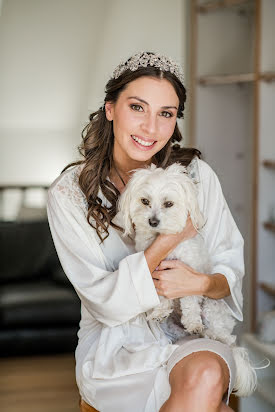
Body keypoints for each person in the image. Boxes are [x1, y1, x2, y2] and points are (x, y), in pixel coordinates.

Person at [47, 51, 244, 412]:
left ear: (174, 121)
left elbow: (229, 270)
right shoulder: (68, 193)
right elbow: (103, 302)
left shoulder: (197, 177)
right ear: (110, 108)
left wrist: (198, 284)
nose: (150, 128)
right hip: (115, 345)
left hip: (192, 330)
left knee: (205, 375)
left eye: (165, 114)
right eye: (138, 108)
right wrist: (168, 240)